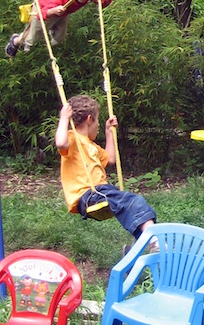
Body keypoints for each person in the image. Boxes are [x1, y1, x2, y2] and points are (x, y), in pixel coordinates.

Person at [55, 95, 157, 245]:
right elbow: (61, 143)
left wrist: (109, 132)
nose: (97, 126)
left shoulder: (91, 145)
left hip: (101, 192)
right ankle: (155, 240)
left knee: (131, 208)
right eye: (97, 120)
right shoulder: (72, 138)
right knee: (135, 201)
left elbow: (109, 159)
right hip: (89, 195)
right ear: (89, 119)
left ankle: (136, 251)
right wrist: (63, 119)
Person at [6, 0, 112, 57]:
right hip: (44, 8)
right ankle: (16, 41)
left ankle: (45, 46)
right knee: (31, 39)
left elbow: (101, 3)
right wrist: (53, 11)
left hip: (62, 12)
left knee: (59, 38)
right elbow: (40, 14)